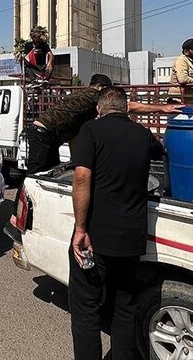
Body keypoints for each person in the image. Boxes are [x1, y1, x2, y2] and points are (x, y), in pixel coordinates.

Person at [69, 86, 164, 360]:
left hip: (94, 237)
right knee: (125, 306)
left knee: (86, 308)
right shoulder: (143, 134)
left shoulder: (91, 131)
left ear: (99, 108)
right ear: (125, 108)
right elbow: (161, 152)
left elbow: (82, 178)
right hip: (131, 239)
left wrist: (80, 229)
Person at [25, 73, 179, 174]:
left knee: (48, 174)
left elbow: (74, 136)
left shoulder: (84, 104)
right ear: (99, 88)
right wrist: (162, 108)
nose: (109, 96)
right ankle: (17, 215)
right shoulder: (93, 95)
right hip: (42, 135)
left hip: (47, 135)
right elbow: (127, 106)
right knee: (33, 176)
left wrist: (77, 163)